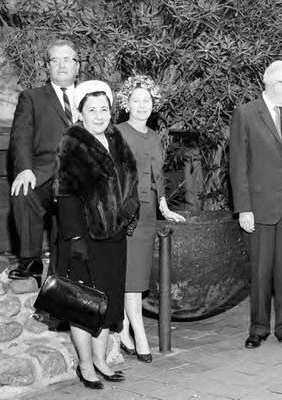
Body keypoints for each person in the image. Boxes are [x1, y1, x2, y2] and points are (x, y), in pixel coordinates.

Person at [54, 80, 139, 389]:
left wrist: (130, 207)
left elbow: (131, 176)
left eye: (104, 109)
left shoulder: (116, 138)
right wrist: (76, 239)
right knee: (84, 305)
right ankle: (86, 365)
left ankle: (102, 361)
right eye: (92, 110)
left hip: (114, 236)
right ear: (80, 113)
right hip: (84, 238)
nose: (100, 115)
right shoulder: (72, 143)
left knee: (108, 301)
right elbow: (65, 194)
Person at [229, 60, 282, 350]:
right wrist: (244, 209)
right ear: (277, 84)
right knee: (260, 271)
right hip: (259, 207)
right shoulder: (245, 114)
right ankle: (259, 327)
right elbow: (238, 166)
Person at [116, 75, 185, 363]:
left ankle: (122, 329)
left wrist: (164, 208)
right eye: (136, 100)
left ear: (153, 104)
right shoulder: (116, 133)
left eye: (147, 101)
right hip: (124, 213)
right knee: (129, 275)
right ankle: (137, 334)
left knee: (138, 275)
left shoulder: (156, 137)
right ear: (126, 104)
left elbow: (158, 178)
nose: (142, 105)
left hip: (146, 215)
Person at [8, 39, 80, 283]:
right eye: (55, 60)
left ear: (77, 66)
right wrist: (25, 169)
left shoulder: (90, 98)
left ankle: (66, 273)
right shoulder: (32, 97)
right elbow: (21, 135)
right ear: (47, 67)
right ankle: (30, 260)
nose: (61, 65)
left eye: (67, 59)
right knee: (22, 192)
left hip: (81, 174)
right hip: (44, 172)